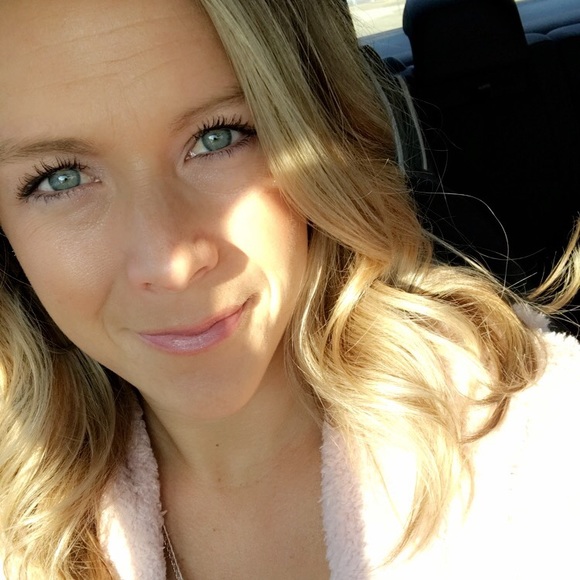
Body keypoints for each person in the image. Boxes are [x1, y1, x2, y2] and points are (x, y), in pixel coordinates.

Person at [0, 0, 578, 578]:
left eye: (217, 138)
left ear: (317, 139)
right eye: (60, 178)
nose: (169, 263)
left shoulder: (542, 447)